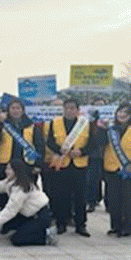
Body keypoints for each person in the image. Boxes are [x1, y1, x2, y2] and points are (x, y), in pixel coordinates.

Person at [0, 99, 44, 219]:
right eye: (13, 108)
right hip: (5, 165)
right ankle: (5, 221)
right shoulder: (3, 124)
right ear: (8, 110)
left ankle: (23, 220)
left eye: (18, 108)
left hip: (26, 165)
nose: (15, 111)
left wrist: (38, 165)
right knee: (4, 195)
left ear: (23, 110)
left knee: (24, 195)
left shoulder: (31, 126)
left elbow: (39, 145)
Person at [47, 98, 95, 237]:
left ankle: (81, 225)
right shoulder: (55, 122)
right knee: (61, 195)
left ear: (78, 110)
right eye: (67, 108)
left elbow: (93, 143)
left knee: (81, 196)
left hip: (80, 165)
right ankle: (61, 223)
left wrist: (82, 151)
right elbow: (49, 141)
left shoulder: (85, 123)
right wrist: (59, 149)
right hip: (62, 164)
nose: (69, 110)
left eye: (72, 108)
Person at [102, 103, 131, 237]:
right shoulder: (110, 130)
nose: (122, 115)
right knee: (113, 200)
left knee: (129, 201)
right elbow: (99, 144)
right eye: (120, 111)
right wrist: (100, 128)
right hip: (112, 169)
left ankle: (128, 228)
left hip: (129, 171)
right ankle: (116, 226)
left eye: (126, 113)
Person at [0, 160, 56, 246]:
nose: (6, 171)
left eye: (9, 169)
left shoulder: (22, 187)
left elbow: (11, 209)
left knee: (17, 240)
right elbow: (1, 186)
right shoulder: (12, 181)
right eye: (6, 169)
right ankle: (29, 230)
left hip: (40, 215)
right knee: (5, 227)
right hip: (27, 214)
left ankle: (46, 235)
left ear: (16, 171)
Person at [87, 98, 106, 213]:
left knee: (108, 180)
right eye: (97, 105)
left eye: (102, 105)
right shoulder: (89, 121)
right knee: (92, 179)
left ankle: (109, 203)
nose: (99, 108)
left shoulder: (110, 120)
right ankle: (91, 202)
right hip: (93, 154)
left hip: (108, 154)